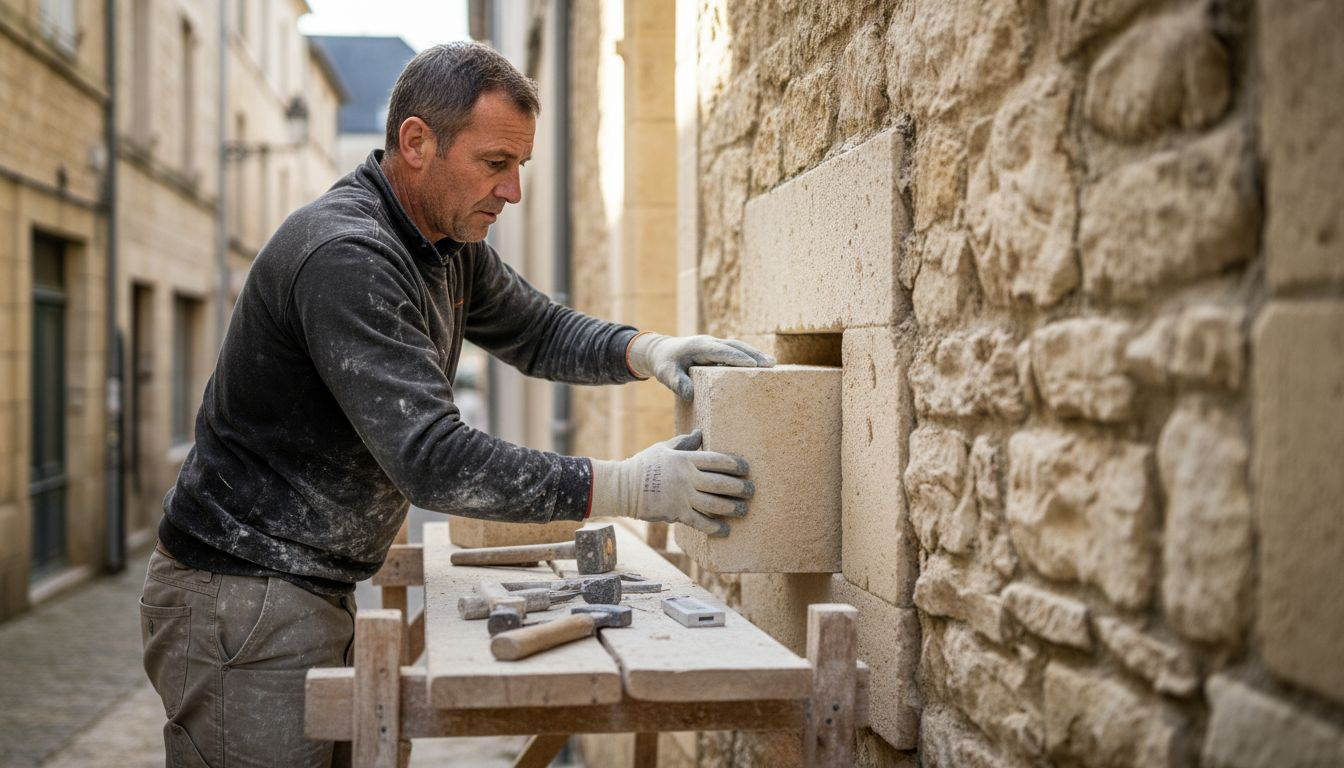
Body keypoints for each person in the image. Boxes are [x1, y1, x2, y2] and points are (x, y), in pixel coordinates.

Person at [138, 41, 772, 767]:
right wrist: (635, 485)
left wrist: (647, 349)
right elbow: (434, 462)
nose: (513, 193)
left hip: (302, 587)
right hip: (240, 596)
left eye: (520, 167)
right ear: (416, 142)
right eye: (495, 164)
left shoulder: (443, 238)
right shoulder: (348, 256)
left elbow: (536, 329)